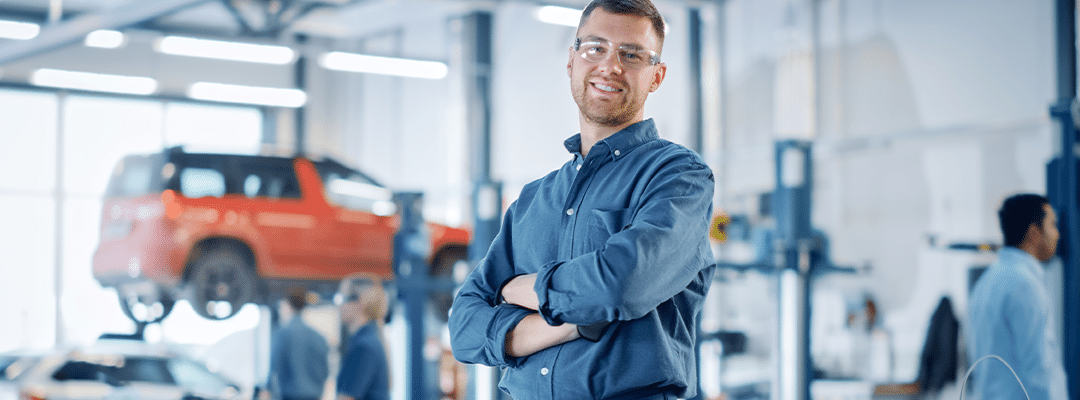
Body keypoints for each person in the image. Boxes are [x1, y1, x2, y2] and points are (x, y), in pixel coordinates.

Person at [448, 1, 716, 398]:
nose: (610, 66)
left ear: (656, 76)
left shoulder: (678, 177)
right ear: (572, 60)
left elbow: (620, 286)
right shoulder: (533, 199)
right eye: (595, 47)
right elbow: (464, 329)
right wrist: (567, 324)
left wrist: (518, 289)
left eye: (632, 55)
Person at [967, 193, 1068, 400]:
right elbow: (1039, 370)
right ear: (1033, 233)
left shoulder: (986, 281)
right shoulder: (1024, 285)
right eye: (1052, 225)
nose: (1057, 234)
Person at [267, 286, 330, 400]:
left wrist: (267, 390)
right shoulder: (319, 337)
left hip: (290, 395)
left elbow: (275, 366)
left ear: (287, 305)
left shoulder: (283, 333)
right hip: (314, 395)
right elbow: (325, 371)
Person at [335, 274, 390, 400]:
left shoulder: (363, 347)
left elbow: (346, 397)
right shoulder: (371, 340)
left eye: (341, 298)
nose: (338, 305)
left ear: (359, 301)